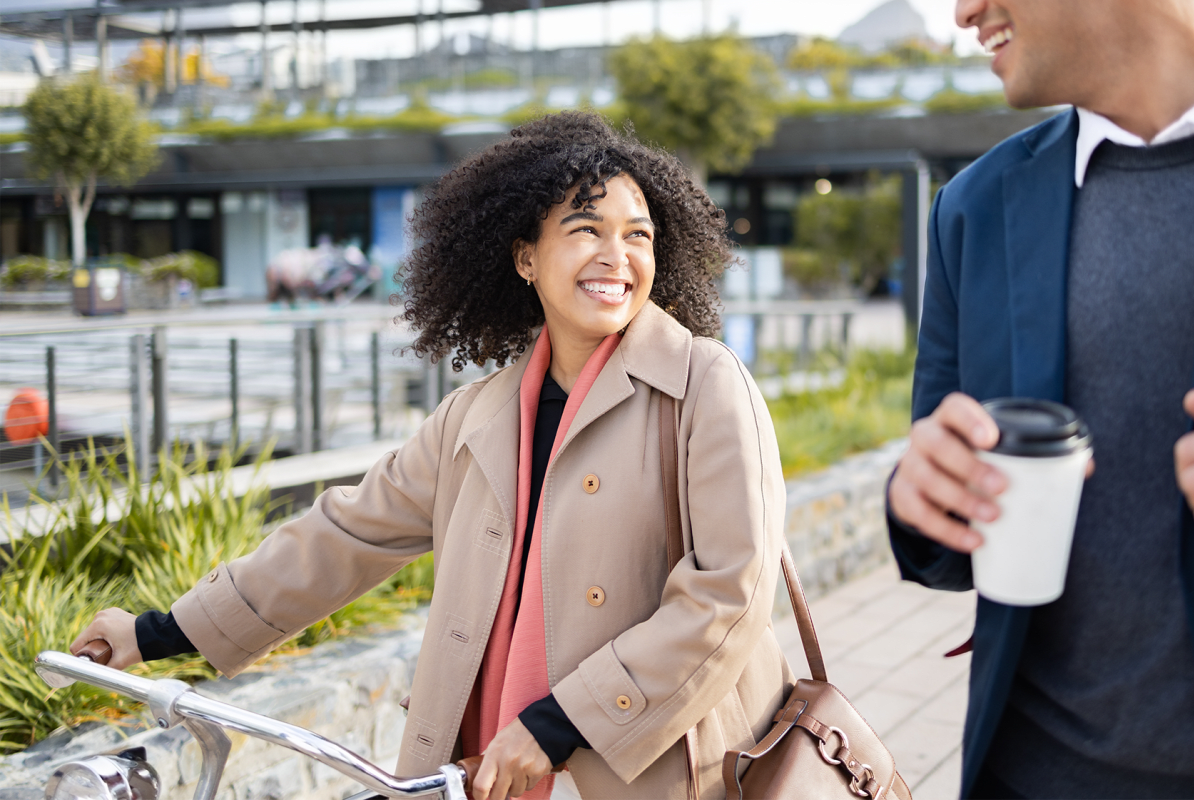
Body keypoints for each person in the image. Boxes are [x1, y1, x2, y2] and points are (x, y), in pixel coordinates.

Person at [73, 112, 793, 800]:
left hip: (650, 768)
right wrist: (154, 632)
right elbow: (342, 534)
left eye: (639, 235)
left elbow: (730, 594)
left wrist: (557, 723)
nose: (617, 255)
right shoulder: (474, 419)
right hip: (484, 765)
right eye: (586, 230)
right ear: (525, 257)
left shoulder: (703, 384)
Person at [886, 1, 1194, 798]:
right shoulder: (976, 206)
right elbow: (945, 544)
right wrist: (920, 494)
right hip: (1028, 773)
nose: (963, 12)